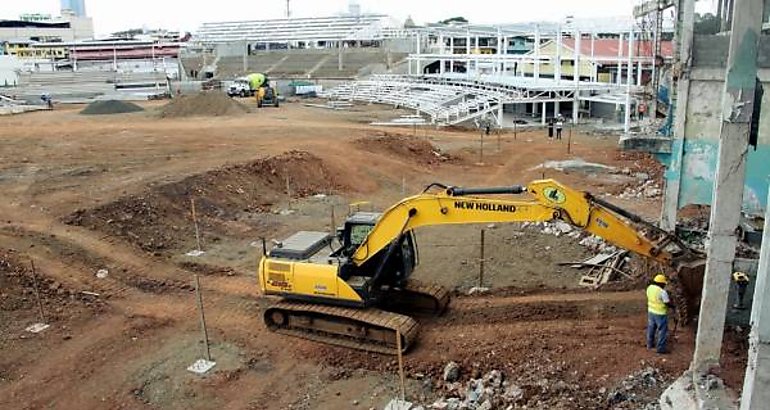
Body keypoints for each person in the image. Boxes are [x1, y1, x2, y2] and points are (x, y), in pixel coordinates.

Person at [646, 274, 674, 354]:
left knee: (651, 328)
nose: (664, 285)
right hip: (660, 314)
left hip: (651, 311)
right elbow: (667, 303)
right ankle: (661, 349)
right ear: (661, 283)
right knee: (662, 331)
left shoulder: (649, 288)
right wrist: (673, 306)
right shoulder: (662, 292)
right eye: (664, 284)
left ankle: (649, 344)